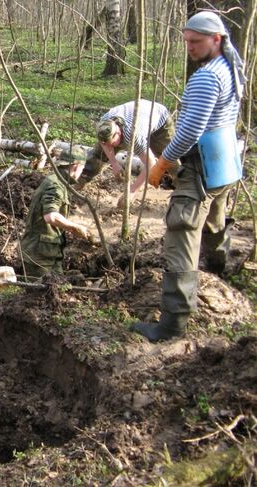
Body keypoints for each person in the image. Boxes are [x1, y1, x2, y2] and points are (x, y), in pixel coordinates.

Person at [133, 11, 245, 342]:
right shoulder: (231, 69)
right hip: (224, 160)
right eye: (186, 41)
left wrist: (161, 164)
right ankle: (217, 268)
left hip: (201, 166)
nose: (189, 48)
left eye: (196, 42)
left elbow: (188, 132)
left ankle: (173, 322)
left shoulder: (208, 77)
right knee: (214, 220)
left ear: (217, 40)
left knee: (181, 231)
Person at [20, 154, 91, 278]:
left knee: (59, 288)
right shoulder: (56, 185)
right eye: (82, 168)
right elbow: (51, 216)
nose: (82, 173)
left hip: (49, 251)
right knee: (38, 294)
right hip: (39, 252)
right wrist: (75, 227)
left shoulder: (59, 182)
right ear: (76, 167)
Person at [93, 99, 175, 207]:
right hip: (138, 116)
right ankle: (83, 178)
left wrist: (132, 191)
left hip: (159, 119)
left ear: (118, 132)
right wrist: (114, 163)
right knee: (98, 153)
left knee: (170, 160)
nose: (109, 146)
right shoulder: (103, 124)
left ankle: (183, 195)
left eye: (111, 143)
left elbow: (150, 164)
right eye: (106, 143)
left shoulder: (133, 136)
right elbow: (103, 143)